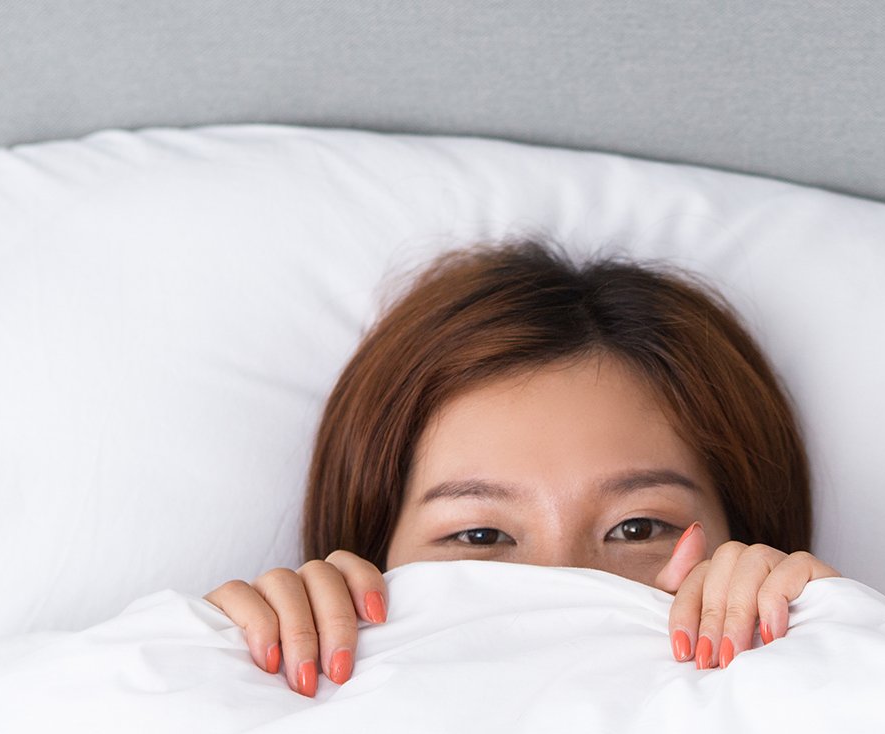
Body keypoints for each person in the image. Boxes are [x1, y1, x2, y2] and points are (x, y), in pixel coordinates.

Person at [207, 241, 836, 697]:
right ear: (369, 550)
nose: (559, 587)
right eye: (480, 537)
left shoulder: (827, 695)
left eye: (639, 529)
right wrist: (208, 672)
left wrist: (837, 647)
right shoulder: (254, 697)